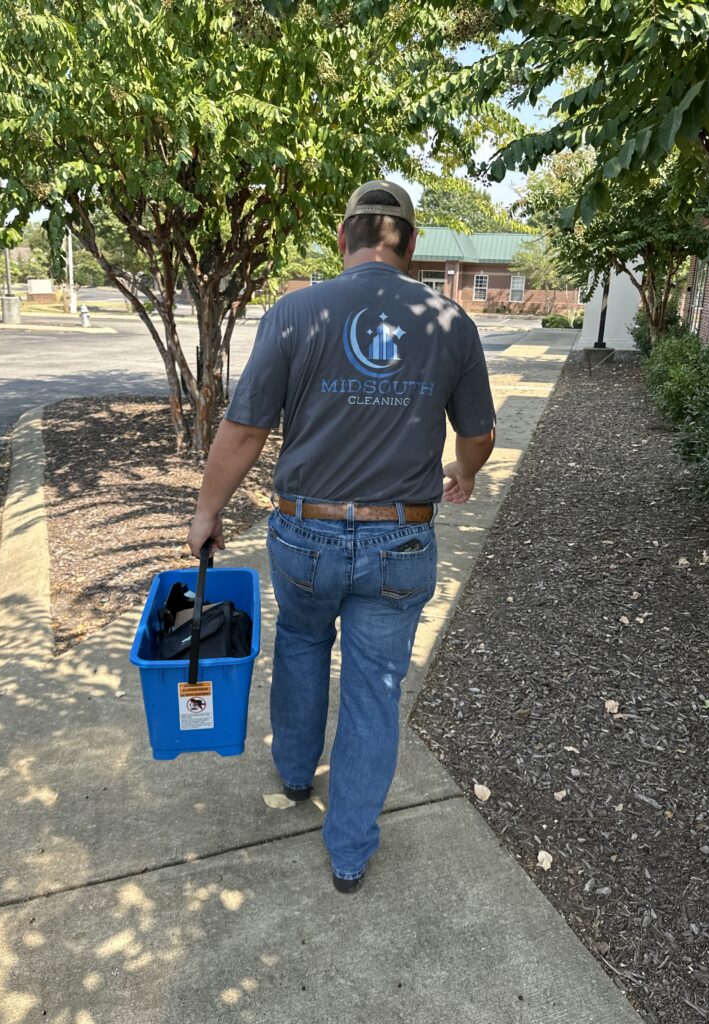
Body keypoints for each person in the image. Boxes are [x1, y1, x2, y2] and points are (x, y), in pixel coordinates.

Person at [187, 180, 495, 894]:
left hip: (304, 536)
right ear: (410, 246)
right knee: (374, 687)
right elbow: (477, 435)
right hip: (400, 541)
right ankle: (349, 851)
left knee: (299, 643)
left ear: (341, 236)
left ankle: (296, 773)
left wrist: (208, 509)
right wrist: (465, 473)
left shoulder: (295, 311)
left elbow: (245, 427)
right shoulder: (450, 321)